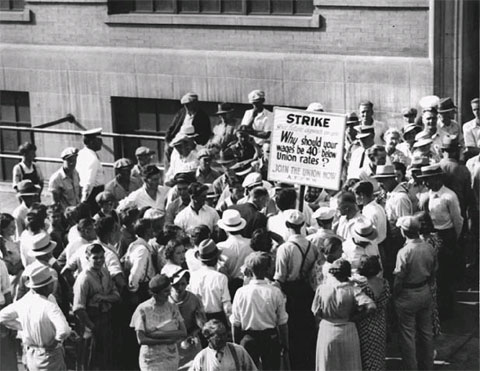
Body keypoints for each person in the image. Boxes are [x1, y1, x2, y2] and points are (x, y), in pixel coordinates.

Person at [0, 265, 71, 371]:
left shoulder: (25, 302)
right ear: (46, 286)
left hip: (30, 355)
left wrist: (21, 326)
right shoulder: (49, 305)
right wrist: (56, 341)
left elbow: (2, 316)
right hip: (50, 354)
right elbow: (64, 330)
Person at [311, 259, 376, 371]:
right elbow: (371, 306)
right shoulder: (353, 290)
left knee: (328, 365)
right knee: (349, 366)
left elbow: (316, 311)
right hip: (348, 329)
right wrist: (356, 317)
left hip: (327, 330)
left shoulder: (322, 289)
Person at [418, 164, 463, 319]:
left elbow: (458, 221)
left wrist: (451, 240)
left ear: (437, 178)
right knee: (433, 274)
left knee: (444, 275)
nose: (425, 183)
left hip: (446, 236)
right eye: (424, 180)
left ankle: (447, 310)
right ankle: (436, 308)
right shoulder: (426, 196)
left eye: (428, 180)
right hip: (432, 236)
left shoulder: (449, 196)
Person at [274, 210, 317, 370]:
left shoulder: (284, 248)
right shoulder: (311, 246)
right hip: (307, 290)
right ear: (303, 224)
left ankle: (296, 363)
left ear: (287, 225)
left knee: (293, 331)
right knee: (307, 328)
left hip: (291, 292)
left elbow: (280, 276)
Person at [231, 252, 289, 370]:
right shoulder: (275, 292)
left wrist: (235, 345)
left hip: (248, 339)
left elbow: (235, 323)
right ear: (268, 269)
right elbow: (282, 322)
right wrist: (285, 344)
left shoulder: (241, 292)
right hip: (270, 338)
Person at [393, 216, 435, 370]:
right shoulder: (428, 247)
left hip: (408, 294)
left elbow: (399, 279)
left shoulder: (404, 252)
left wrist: (395, 295)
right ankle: (428, 366)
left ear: (404, 232)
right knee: (426, 333)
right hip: (424, 290)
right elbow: (433, 272)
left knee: (408, 336)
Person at [73, 243, 121, 370]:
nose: (99, 260)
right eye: (95, 258)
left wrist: (102, 297)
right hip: (91, 322)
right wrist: (92, 328)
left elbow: (116, 295)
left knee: (106, 358)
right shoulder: (83, 279)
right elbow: (78, 309)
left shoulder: (105, 273)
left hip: (106, 319)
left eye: (101, 257)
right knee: (89, 360)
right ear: (87, 258)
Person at [130, 274, 187, 371]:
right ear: (155, 293)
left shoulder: (172, 307)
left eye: (170, 290)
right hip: (151, 359)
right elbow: (141, 339)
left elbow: (183, 332)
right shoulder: (143, 309)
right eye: (165, 291)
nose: (169, 294)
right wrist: (166, 340)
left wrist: (154, 334)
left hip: (170, 357)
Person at [354, 255, 391, 371]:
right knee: (379, 356)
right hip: (380, 323)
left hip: (365, 326)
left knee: (366, 358)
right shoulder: (385, 283)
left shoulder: (361, 287)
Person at [167, 268, 206, 367]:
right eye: (176, 285)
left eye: (183, 284)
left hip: (191, 342)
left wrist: (192, 334)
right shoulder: (165, 301)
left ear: (187, 283)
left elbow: (202, 323)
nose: (179, 287)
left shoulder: (194, 299)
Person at [188, 239, 232, 328]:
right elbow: (227, 307)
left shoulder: (194, 276)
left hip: (200, 318)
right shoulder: (221, 278)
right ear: (216, 259)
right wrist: (230, 325)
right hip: (218, 318)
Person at [191, 319, 258, 371]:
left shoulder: (238, 350)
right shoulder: (201, 358)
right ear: (208, 338)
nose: (224, 338)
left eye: (225, 334)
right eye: (219, 335)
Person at [217, 210, 252, 297]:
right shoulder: (251, 244)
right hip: (249, 286)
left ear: (225, 229)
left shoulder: (220, 247)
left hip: (229, 289)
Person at [123, 219, 157, 304]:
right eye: (151, 227)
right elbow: (135, 272)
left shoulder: (134, 245)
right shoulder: (142, 250)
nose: (153, 230)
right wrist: (134, 290)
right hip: (143, 289)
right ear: (147, 231)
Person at [76, 128, 105, 213]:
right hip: (93, 195)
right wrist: (84, 201)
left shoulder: (82, 153)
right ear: (92, 142)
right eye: (99, 140)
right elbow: (88, 182)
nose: (101, 143)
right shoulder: (92, 159)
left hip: (86, 192)